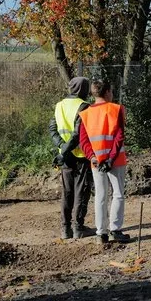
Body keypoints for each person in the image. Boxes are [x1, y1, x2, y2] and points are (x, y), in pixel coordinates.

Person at [78, 80, 131, 244]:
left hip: (96, 162)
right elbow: (119, 136)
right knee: (118, 194)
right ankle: (115, 230)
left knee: (100, 195)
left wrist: (93, 157)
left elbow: (83, 141)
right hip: (115, 160)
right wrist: (110, 158)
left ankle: (101, 233)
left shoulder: (85, 113)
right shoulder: (117, 109)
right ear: (107, 92)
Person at [50, 77, 93, 240]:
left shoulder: (59, 105)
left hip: (66, 157)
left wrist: (62, 149)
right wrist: (65, 151)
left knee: (67, 191)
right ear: (83, 89)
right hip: (81, 155)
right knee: (81, 191)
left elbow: (52, 129)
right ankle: (78, 227)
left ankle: (65, 229)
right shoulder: (84, 106)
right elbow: (77, 135)